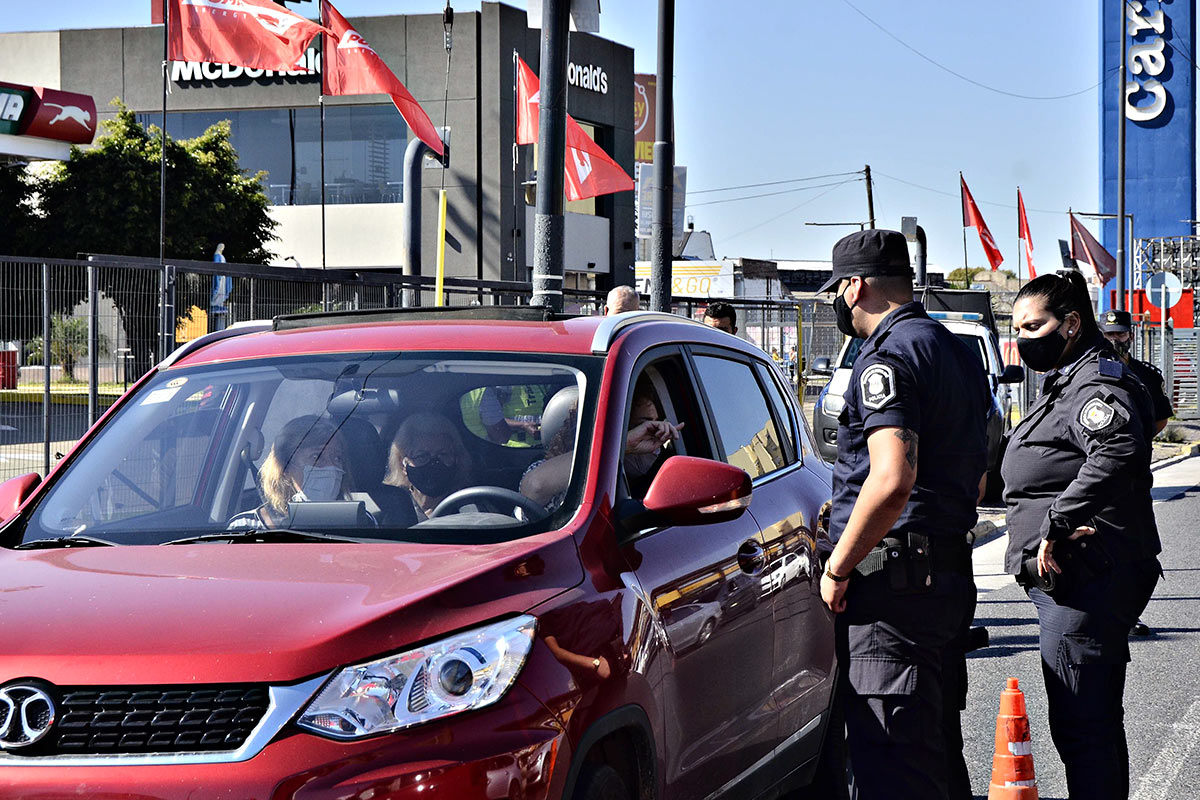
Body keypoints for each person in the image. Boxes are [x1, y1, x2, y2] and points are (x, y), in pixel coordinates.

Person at [817, 229, 990, 800]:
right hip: (941, 579)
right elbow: (983, 466)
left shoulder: (887, 359)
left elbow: (892, 478)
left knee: (894, 767)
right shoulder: (955, 351)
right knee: (935, 756)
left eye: (838, 290)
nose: (840, 303)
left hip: (893, 594)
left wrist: (839, 566)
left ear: (856, 286)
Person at [1002, 271, 1161, 800]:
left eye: (1034, 326)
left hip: (1086, 576)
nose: (1024, 338)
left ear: (1071, 323)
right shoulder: (1080, 375)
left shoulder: (1093, 381)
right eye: (1017, 327)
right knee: (1093, 725)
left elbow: (1118, 449)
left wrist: (1057, 520)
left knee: (1082, 729)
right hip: (1087, 573)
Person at [1099, 308, 1170, 638]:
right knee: (1098, 549)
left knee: (1141, 555)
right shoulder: (1089, 374)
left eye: (1120, 334)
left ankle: (1127, 612)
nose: (1115, 339)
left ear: (1131, 335)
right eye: (1109, 334)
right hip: (1094, 477)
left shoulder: (1146, 374)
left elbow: (1160, 419)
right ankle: (1107, 612)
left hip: (1135, 476)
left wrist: (1135, 444)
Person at [228, 416, 352, 530]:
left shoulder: (359, 523)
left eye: (337, 458)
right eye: (317, 457)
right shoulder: (244, 527)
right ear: (285, 467)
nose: (331, 467)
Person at [385, 412, 475, 519]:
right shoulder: (390, 510)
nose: (434, 464)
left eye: (443, 454)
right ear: (402, 463)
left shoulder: (472, 509)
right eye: (422, 456)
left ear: (457, 459)